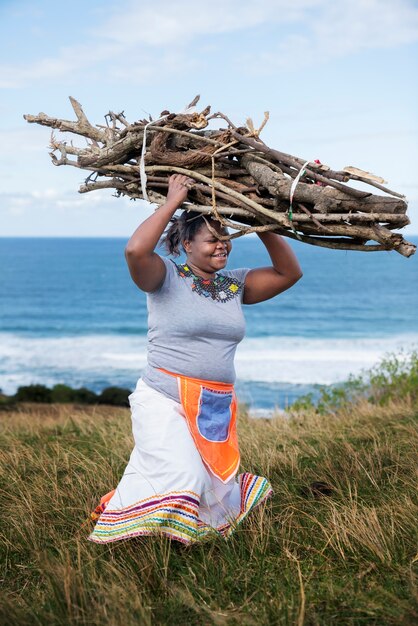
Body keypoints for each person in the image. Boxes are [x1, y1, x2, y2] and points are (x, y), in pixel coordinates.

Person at [88, 174, 303, 545]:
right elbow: (135, 251)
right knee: (182, 473)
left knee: (211, 486)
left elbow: (289, 273)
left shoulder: (234, 284)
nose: (223, 247)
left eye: (226, 240)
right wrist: (172, 201)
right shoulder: (166, 277)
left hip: (214, 406)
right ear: (187, 244)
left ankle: (162, 538)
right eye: (213, 240)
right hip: (163, 398)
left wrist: (259, 219)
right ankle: (138, 538)